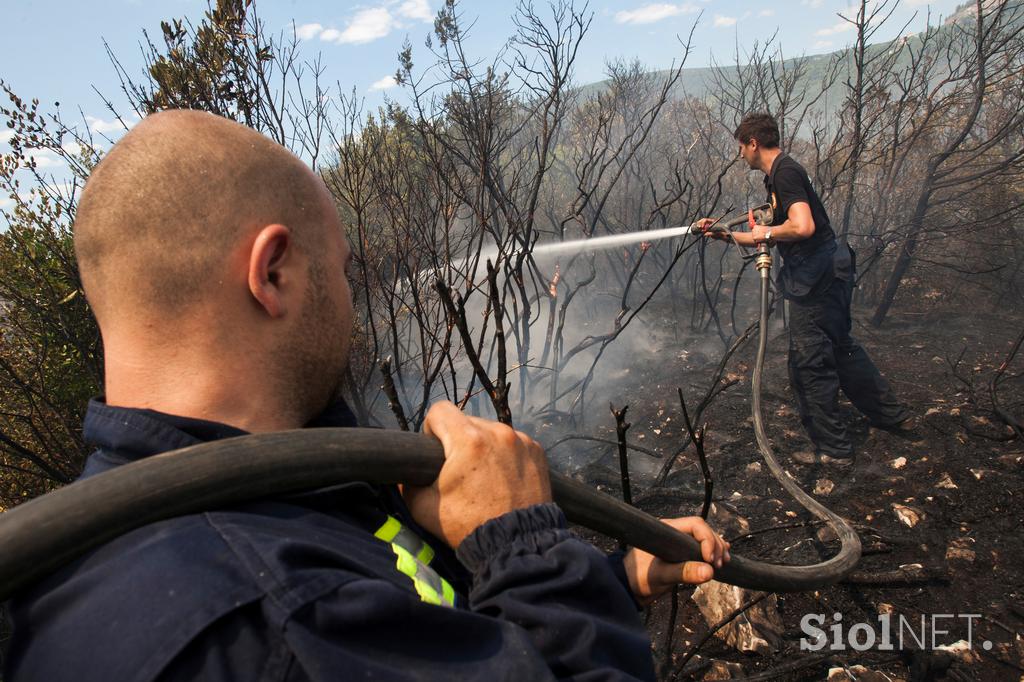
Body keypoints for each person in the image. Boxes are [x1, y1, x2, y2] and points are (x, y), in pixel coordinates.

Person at [3, 110, 730, 681]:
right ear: (275, 272)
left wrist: (611, 579)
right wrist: (529, 547)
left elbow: (431, 627)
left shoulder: (274, 496)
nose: (353, 304)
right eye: (345, 270)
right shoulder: (274, 625)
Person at [699, 112, 911, 466]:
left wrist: (766, 233)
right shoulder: (781, 174)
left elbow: (802, 226)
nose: (739, 155)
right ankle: (890, 414)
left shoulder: (785, 172)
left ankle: (834, 449)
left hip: (816, 281)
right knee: (841, 348)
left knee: (809, 363)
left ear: (753, 143)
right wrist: (725, 234)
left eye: (741, 147)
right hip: (830, 274)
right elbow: (777, 229)